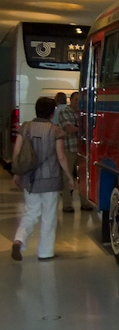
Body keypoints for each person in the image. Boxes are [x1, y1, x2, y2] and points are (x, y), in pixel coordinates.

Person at [11, 96, 74, 261]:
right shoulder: (55, 131)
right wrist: (69, 176)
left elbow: (17, 152)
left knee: (30, 213)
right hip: (50, 180)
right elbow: (61, 157)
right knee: (49, 216)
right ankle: (45, 252)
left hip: (29, 179)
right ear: (52, 113)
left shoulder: (25, 128)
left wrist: (17, 173)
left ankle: (19, 240)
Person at [57, 91, 92, 212]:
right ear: (70, 100)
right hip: (69, 149)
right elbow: (69, 128)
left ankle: (84, 202)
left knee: (83, 177)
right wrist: (84, 129)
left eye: (80, 100)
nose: (78, 102)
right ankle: (67, 204)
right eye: (76, 99)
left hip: (83, 150)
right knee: (67, 177)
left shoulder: (85, 113)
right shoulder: (64, 112)